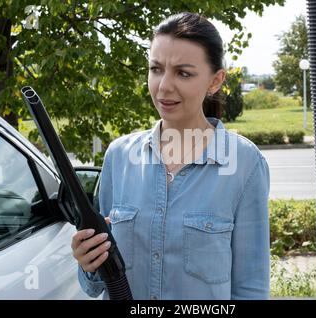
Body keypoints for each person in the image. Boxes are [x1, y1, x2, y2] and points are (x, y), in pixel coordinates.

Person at [71, 12, 270, 300]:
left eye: (183, 73)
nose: (164, 86)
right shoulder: (119, 157)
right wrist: (88, 263)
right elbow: (94, 285)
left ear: (215, 81)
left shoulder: (244, 163)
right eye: (156, 69)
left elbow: (251, 287)